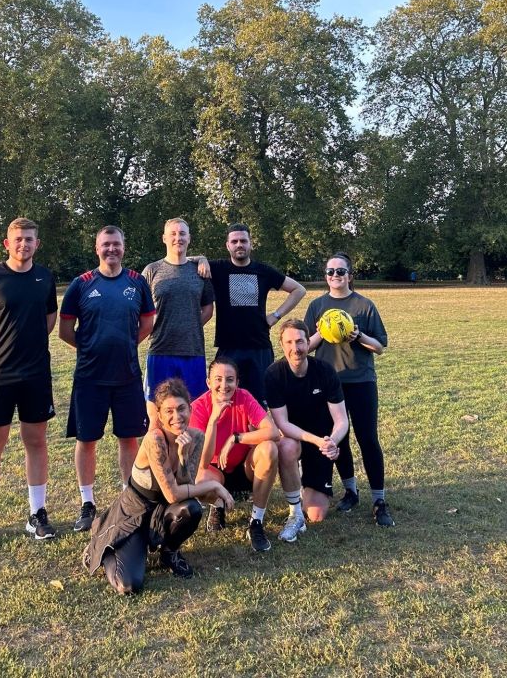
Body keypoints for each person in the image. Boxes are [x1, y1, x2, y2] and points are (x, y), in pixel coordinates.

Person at [85, 378, 235, 594]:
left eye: (182, 408)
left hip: (163, 510)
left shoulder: (196, 437)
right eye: (169, 411)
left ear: (190, 408)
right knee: (128, 586)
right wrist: (214, 486)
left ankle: (169, 552)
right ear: (159, 414)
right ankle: (105, 541)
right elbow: (174, 493)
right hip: (134, 513)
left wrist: (183, 459)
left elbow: (185, 490)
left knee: (191, 508)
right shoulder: (154, 440)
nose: (177, 417)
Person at [0, 217, 58, 549]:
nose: (24, 244)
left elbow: (49, 320)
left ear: (37, 243)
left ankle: (37, 514)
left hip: (35, 375)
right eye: (18, 239)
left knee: (36, 441)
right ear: (7, 243)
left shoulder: (44, 277)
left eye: (29, 239)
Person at [59, 225, 155, 533]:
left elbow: (146, 323)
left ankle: (131, 498)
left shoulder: (137, 282)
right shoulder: (81, 284)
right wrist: (91, 348)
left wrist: (125, 345)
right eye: (105, 245)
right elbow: (64, 331)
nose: (111, 249)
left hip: (126, 375)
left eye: (116, 244)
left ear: (124, 248)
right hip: (90, 377)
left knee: (128, 438)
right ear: (96, 248)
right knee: (87, 440)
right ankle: (87, 504)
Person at [305, 252, 395, 527]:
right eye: (330, 272)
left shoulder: (364, 305)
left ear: (350, 275)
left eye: (341, 271)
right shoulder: (317, 305)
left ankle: (379, 500)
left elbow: (379, 347)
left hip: (361, 381)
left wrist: (359, 336)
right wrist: (320, 333)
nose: (335, 276)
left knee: (367, 439)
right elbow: (304, 346)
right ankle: (351, 491)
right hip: (329, 383)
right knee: (337, 439)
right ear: (325, 276)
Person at [193, 224, 306, 404]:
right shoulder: (218, 268)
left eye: (243, 241)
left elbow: (298, 290)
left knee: (258, 403)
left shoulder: (264, 271)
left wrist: (276, 315)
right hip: (228, 347)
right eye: (234, 241)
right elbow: (185, 259)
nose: (239, 245)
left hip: (259, 347)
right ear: (227, 245)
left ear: (251, 244)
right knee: (225, 401)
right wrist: (201, 258)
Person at [264, 320, 349, 542]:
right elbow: (282, 424)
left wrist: (332, 441)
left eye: (300, 341)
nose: (296, 348)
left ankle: (306, 483)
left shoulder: (325, 371)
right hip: (297, 438)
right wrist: (316, 441)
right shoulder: (273, 374)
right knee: (288, 447)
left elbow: (341, 420)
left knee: (317, 515)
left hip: (321, 440)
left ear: (308, 342)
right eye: (289, 342)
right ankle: (295, 510)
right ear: (282, 345)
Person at [189, 357, 279, 551]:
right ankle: (218, 505)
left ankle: (256, 522)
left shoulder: (244, 397)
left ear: (237, 383)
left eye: (230, 379)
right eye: (218, 379)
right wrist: (213, 421)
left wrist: (236, 438)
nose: (224, 385)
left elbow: (272, 432)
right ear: (208, 382)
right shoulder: (197, 408)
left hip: (244, 467)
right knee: (198, 478)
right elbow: (202, 463)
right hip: (215, 471)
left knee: (269, 449)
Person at [142, 218, 214, 419]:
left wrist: (188, 325)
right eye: (173, 234)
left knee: (194, 414)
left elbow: (208, 309)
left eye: (182, 233)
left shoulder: (200, 271)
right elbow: (140, 310)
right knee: (158, 415)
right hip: (160, 351)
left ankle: (190, 451)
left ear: (189, 238)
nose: (177, 238)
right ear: (164, 238)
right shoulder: (151, 270)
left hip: (193, 351)